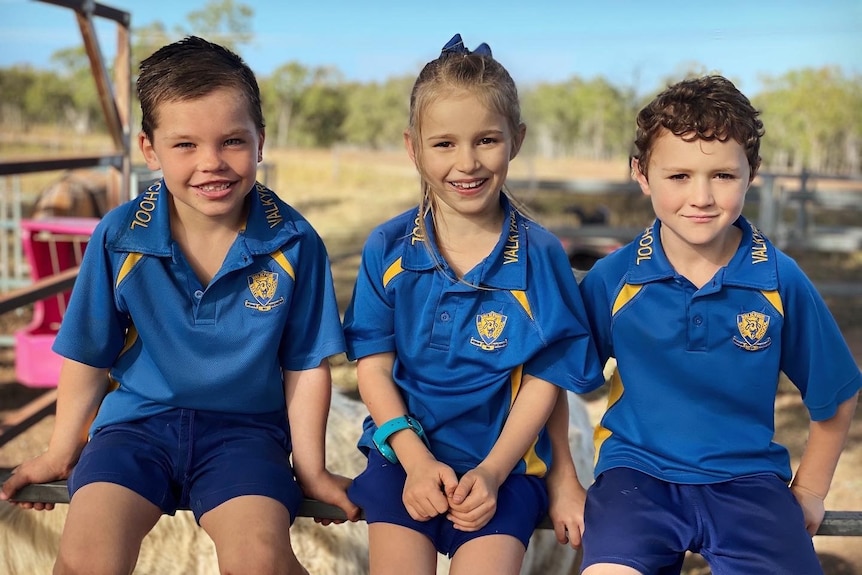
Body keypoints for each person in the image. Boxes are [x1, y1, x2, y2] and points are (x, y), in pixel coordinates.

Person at [1, 36, 359, 575]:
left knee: (262, 559)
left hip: (246, 433)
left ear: (261, 141)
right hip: (135, 426)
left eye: (232, 141)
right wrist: (58, 450)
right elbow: (88, 352)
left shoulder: (294, 242)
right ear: (150, 149)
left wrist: (311, 469)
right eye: (185, 144)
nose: (211, 163)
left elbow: (306, 365)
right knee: (86, 557)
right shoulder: (120, 237)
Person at [577, 74, 861, 574]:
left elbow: (835, 392)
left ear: (753, 173)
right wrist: (562, 482)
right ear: (641, 174)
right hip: (636, 478)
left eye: (723, 176)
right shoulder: (614, 278)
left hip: (748, 481)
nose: (702, 197)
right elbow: (552, 380)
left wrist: (813, 489)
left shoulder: (778, 280)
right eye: (679, 176)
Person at [342, 34, 605, 575]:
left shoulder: (542, 257)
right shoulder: (386, 249)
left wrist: (494, 470)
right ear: (413, 147)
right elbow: (372, 368)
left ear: (517, 140)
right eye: (444, 144)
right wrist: (414, 460)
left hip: (504, 467)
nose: (467, 162)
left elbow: (545, 378)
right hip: (402, 458)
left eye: (486, 140)